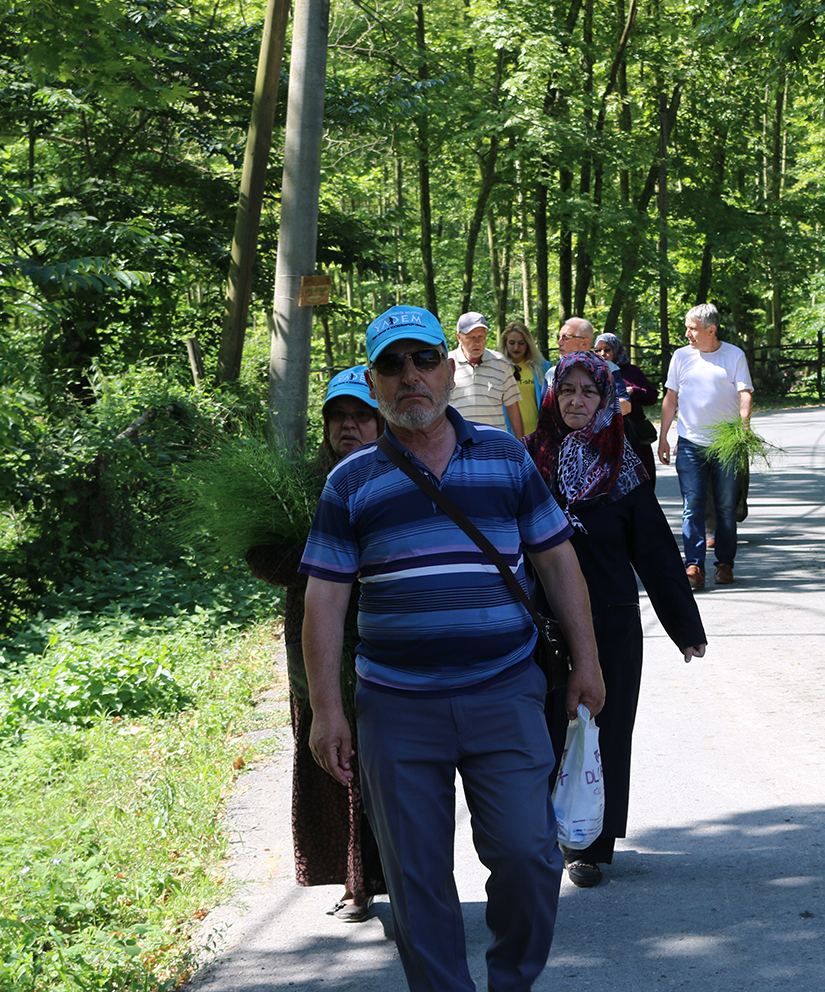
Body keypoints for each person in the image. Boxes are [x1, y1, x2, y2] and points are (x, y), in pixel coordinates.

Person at [300, 305, 606, 992]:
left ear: (447, 367)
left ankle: (510, 984)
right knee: (416, 879)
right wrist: (327, 710)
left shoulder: (504, 459)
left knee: (530, 858)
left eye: (423, 359)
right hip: (397, 706)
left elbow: (557, 561)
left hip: (504, 692)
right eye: (392, 364)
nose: (410, 376)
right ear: (373, 383)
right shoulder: (349, 484)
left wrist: (587, 661)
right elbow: (325, 599)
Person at [524, 352, 706, 889]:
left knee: (605, 733)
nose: (578, 400)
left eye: (590, 392)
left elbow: (655, 553)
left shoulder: (623, 468)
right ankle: (540, 836)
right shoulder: (528, 462)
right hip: (541, 625)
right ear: (554, 395)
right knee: (542, 732)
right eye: (569, 390)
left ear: (606, 400)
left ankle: (591, 845)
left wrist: (684, 627)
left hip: (612, 625)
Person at [244, 366, 386, 922]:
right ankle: (354, 882)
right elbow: (259, 554)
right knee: (331, 755)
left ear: (379, 420)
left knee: (387, 765)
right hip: (317, 650)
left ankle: (390, 873)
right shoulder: (299, 487)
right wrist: (324, 555)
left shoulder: (399, 476)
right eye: (338, 419)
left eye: (360, 417)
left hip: (384, 645)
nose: (348, 428)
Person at [656, 303, 754, 590]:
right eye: (687, 327)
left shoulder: (734, 355)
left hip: (725, 443)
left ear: (711, 330)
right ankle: (694, 565)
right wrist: (664, 436)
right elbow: (670, 398)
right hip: (690, 443)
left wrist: (744, 423)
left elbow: (744, 393)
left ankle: (724, 564)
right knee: (692, 505)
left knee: (725, 506)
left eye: (693, 328)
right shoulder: (681, 357)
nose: (687, 333)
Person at [593, 331, 659, 485]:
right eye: (598, 350)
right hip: (608, 436)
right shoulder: (593, 372)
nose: (603, 354)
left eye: (607, 349)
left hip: (633, 434)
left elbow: (652, 397)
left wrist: (634, 391)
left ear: (616, 350)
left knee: (644, 478)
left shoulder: (632, 372)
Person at [448, 310, 524, 436]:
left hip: (495, 442)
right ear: (459, 338)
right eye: (471, 337)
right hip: (458, 442)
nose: (477, 342)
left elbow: (512, 405)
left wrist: (522, 442)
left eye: (481, 337)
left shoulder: (500, 363)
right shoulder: (446, 364)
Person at [545, 316, 631, 417]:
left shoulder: (608, 369)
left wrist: (588, 417)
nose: (559, 342)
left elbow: (625, 406)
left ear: (584, 343)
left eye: (565, 338)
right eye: (559, 337)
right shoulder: (552, 373)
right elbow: (545, 411)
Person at [501, 321, 549, 437]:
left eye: (521, 343)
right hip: (507, 434)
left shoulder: (542, 367)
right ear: (505, 343)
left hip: (536, 435)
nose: (516, 347)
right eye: (511, 343)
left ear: (528, 343)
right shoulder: (498, 368)